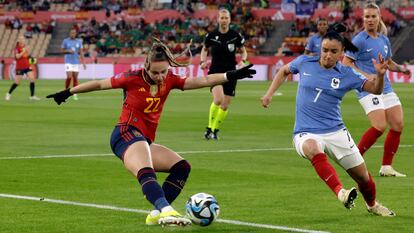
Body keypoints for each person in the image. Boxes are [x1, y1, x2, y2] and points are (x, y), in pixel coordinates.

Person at [47, 39, 255, 226]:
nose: (160, 76)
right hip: (125, 134)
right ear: (146, 66)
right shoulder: (131, 78)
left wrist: (231, 75)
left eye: (163, 72)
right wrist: (68, 92)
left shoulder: (170, 80)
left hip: (143, 140)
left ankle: (156, 211)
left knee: (182, 167)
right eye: (155, 72)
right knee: (146, 170)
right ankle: (166, 211)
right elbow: (100, 83)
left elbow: (202, 81)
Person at [261, 26, 395, 216]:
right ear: (320, 49)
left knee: (363, 178)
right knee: (311, 147)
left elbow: (376, 90)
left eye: (333, 52)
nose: (328, 55)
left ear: (341, 53)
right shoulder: (305, 62)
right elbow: (284, 71)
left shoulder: (347, 74)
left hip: (336, 132)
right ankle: (341, 193)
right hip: (305, 131)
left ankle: (372, 205)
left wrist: (380, 76)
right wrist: (269, 94)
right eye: (325, 50)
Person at [342, 3, 411, 177]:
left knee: (397, 124)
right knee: (379, 126)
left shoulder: (383, 39)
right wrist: (366, 75)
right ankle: (353, 162)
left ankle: (386, 167)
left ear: (379, 18)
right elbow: (346, 63)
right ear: (363, 19)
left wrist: (401, 69)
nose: (370, 19)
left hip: (385, 87)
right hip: (367, 89)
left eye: (373, 16)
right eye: (367, 16)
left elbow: (387, 62)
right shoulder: (358, 40)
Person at [200, 8, 248, 140]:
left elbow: (243, 51)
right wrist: (202, 61)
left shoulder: (235, 35)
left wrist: (243, 61)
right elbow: (204, 49)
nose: (224, 20)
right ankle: (209, 128)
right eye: (222, 18)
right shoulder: (211, 35)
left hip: (231, 73)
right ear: (218, 19)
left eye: (226, 18)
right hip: (215, 71)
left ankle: (215, 130)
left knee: (225, 105)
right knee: (218, 99)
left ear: (230, 20)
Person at [5, 36, 40, 101]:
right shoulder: (17, 48)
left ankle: (32, 96)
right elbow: (17, 57)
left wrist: (32, 58)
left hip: (27, 66)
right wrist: (24, 51)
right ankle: (8, 94)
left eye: (23, 39)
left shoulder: (25, 47)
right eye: (21, 39)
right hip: (20, 67)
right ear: (18, 40)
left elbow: (27, 56)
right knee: (17, 82)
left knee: (32, 79)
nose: (22, 40)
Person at [61, 28, 86, 101]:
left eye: (74, 33)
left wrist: (83, 62)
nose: (73, 34)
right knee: (69, 77)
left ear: (76, 34)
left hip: (76, 62)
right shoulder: (65, 41)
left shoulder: (79, 41)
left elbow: (81, 52)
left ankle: (75, 93)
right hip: (68, 61)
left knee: (75, 77)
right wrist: (68, 51)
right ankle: (66, 91)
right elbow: (62, 50)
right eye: (71, 33)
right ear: (69, 33)